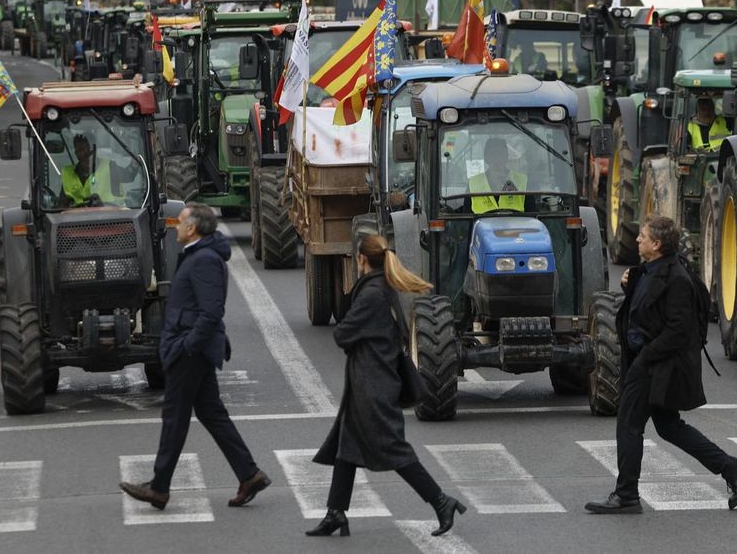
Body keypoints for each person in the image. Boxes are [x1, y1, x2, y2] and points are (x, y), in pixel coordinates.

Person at [585, 215, 737, 515]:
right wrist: (631, 286)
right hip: (648, 361)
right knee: (669, 426)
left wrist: (645, 358)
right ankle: (731, 467)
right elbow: (648, 312)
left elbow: (678, 330)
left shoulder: (677, 279)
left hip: (654, 365)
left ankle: (626, 496)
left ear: (657, 244)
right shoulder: (652, 270)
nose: (637, 240)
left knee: (629, 425)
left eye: (643, 237)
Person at [307, 234, 466, 538]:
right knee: (347, 445)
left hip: (373, 387)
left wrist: (350, 333)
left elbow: (342, 334)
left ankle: (442, 501)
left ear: (361, 260)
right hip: (371, 382)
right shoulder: (383, 289)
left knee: (394, 451)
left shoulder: (371, 295)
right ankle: (335, 513)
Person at [120, 203, 271, 511]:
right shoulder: (198, 255)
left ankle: (159, 488)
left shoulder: (204, 260)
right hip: (193, 348)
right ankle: (249, 474)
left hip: (192, 352)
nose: (176, 226)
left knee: (174, 418)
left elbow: (212, 311)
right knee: (212, 414)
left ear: (193, 228)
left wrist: (188, 345)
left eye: (181, 222)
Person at [59, 134, 137, 207]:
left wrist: (134, 165)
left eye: (88, 150)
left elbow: (129, 176)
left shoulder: (110, 167)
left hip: (112, 216)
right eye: (79, 149)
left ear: (94, 150)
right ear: (76, 153)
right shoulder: (68, 174)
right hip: (78, 218)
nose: (84, 153)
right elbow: (61, 206)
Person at [468, 137, 528, 214]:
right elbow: (466, 220)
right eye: (493, 154)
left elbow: (532, 217)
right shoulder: (473, 184)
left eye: (500, 154)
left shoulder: (522, 181)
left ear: (506, 157)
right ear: (486, 157)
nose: (497, 158)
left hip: (517, 225)